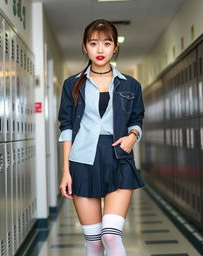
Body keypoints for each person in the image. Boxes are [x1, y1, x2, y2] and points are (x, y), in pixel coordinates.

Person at [58, 19, 145, 256]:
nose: (100, 49)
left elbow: (137, 119)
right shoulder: (72, 84)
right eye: (94, 43)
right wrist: (66, 171)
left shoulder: (131, 85)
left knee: (111, 235)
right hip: (82, 160)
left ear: (115, 47)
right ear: (84, 46)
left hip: (118, 156)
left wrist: (133, 136)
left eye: (106, 43)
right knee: (94, 241)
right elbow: (66, 128)